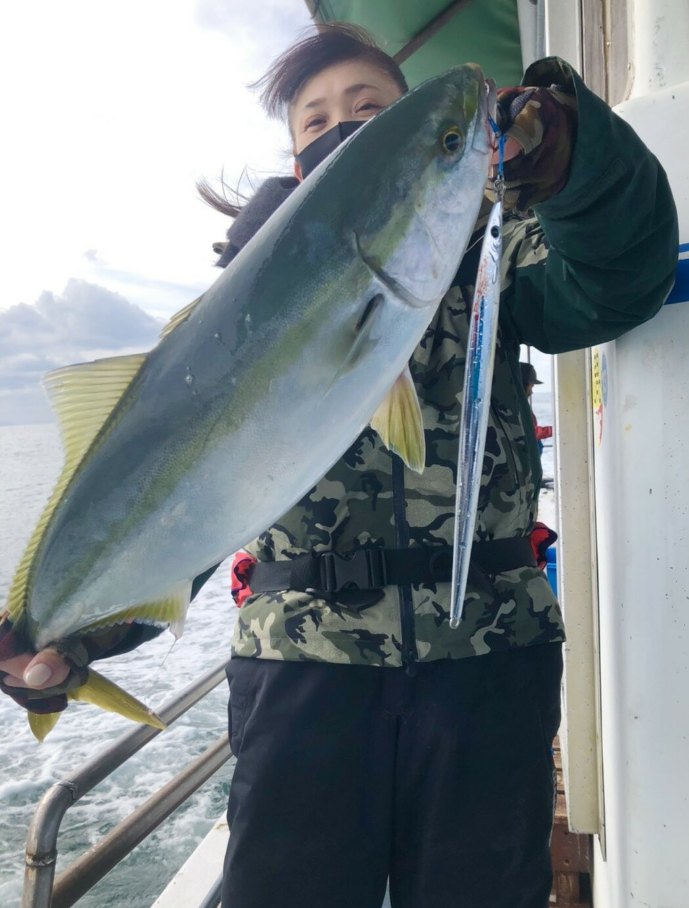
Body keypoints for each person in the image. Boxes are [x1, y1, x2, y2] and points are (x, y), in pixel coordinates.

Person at [0, 23, 678, 908]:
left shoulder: (491, 268)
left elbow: (619, 273)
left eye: (371, 109)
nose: (341, 126)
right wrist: (67, 632)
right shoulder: (227, 327)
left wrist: (561, 147)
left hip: (485, 659)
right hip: (303, 669)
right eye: (314, 119)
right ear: (293, 164)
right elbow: (185, 509)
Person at [520, 361, 553, 454]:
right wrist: (552, 431)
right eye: (531, 386)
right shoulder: (517, 407)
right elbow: (530, 431)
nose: (531, 392)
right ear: (523, 384)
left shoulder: (520, 404)